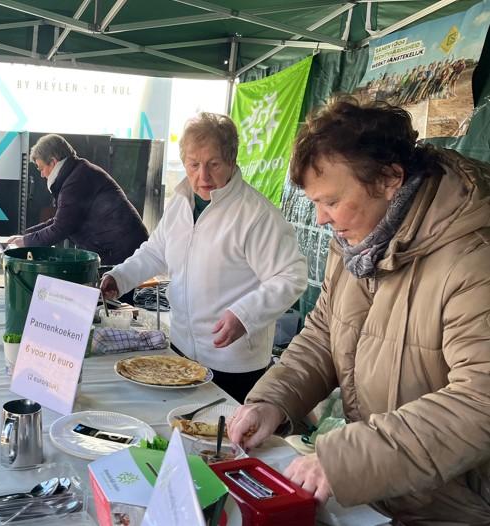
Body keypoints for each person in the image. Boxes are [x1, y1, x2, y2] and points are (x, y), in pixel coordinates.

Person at [228, 96, 490, 525]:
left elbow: (481, 400)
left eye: (331, 201)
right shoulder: (357, 245)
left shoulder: (473, 259)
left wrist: (350, 460)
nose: (322, 218)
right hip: (380, 495)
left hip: (453, 509)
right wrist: (273, 400)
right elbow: (322, 335)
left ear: (390, 179)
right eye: (315, 202)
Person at [101, 112, 307, 402]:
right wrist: (119, 277)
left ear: (232, 160)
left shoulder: (256, 215)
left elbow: (291, 276)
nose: (203, 176)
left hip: (233, 365)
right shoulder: (180, 202)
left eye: (214, 164)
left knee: (220, 442)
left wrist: (245, 314)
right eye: (193, 164)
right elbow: (155, 252)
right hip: (181, 348)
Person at [7, 134, 148, 303]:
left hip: (120, 251)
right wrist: (25, 237)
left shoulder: (76, 180)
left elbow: (61, 227)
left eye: (40, 168)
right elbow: (61, 220)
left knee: (114, 306)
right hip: (118, 246)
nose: (42, 175)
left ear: (53, 161)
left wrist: (26, 242)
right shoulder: (77, 173)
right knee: (105, 304)